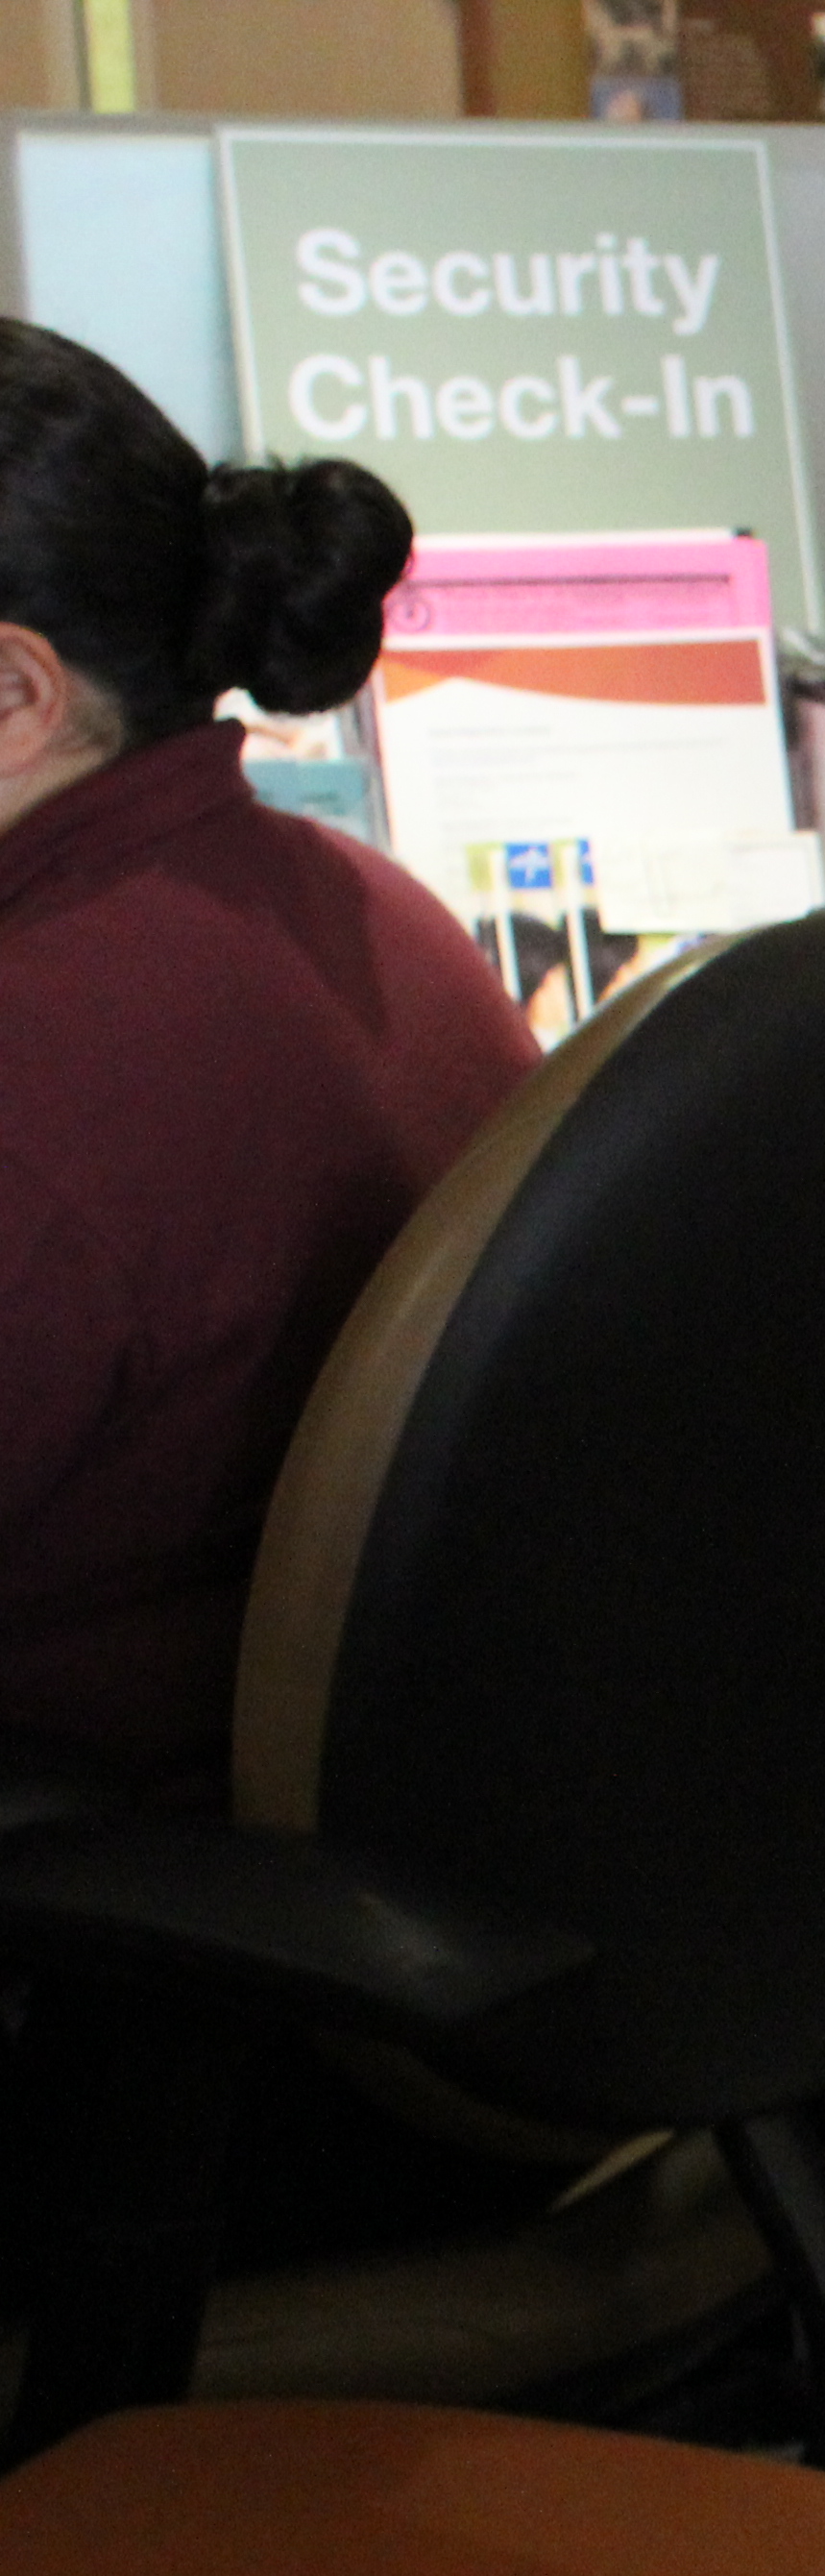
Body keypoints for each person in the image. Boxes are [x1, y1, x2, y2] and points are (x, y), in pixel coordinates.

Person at [0, 321, 535, 1799]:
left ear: (18, 696)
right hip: (381, 1858)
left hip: (104, 1913)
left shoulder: (44, 1091)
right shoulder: (358, 905)